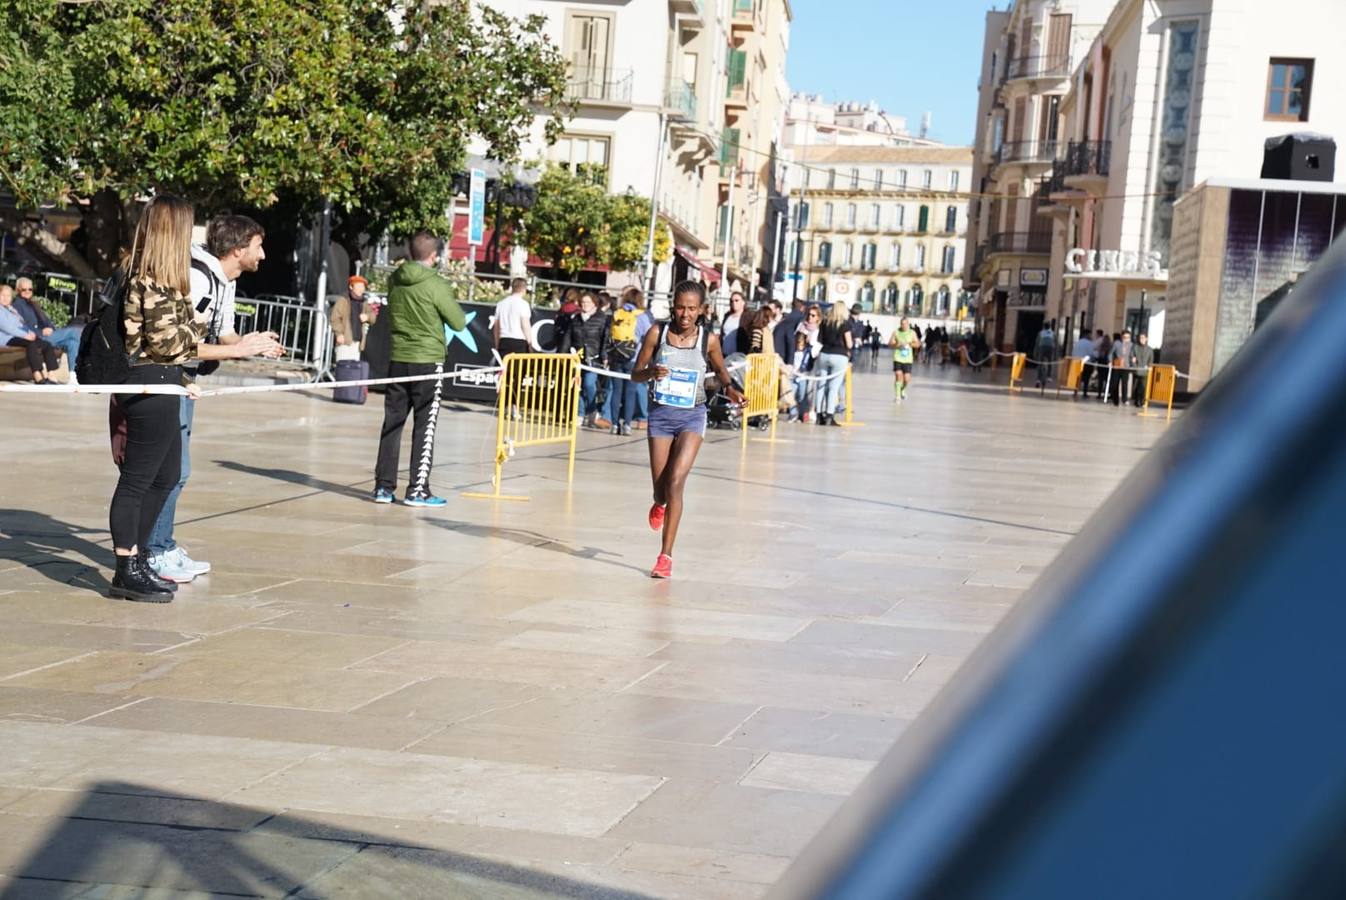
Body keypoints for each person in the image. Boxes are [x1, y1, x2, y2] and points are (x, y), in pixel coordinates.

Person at [108, 196, 280, 602]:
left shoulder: (171, 277)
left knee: (166, 475)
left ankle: (141, 557)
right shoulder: (149, 277)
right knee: (138, 480)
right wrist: (233, 350)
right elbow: (167, 342)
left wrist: (193, 368)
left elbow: (185, 341)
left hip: (170, 381)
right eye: (186, 225)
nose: (192, 235)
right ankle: (127, 566)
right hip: (149, 382)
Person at [146, 214, 278, 584]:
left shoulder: (226, 280)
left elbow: (224, 337)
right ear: (238, 250)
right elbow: (174, 343)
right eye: (257, 247)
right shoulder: (199, 278)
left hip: (184, 381)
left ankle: (162, 544)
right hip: (164, 380)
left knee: (175, 471)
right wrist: (235, 353)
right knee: (168, 471)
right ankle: (154, 552)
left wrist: (252, 345)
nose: (263, 255)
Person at [632, 280, 743, 578]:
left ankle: (665, 556)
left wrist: (732, 392)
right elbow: (635, 374)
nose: (685, 314)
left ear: (702, 310)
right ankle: (658, 504)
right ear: (673, 306)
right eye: (680, 307)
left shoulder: (709, 340)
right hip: (660, 416)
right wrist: (651, 372)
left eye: (692, 308)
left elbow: (721, 373)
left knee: (677, 481)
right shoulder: (658, 332)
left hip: (693, 415)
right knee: (661, 489)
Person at [372, 231, 467, 507]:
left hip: (399, 357)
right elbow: (458, 322)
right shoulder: (437, 284)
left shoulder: (394, 280)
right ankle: (417, 489)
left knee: (393, 422)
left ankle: (383, 487)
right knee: (425, 425)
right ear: (434, 256)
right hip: (428, 359)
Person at [13, 278, 83, 375]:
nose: (28, 292)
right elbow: (21, 327)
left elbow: (46, 321)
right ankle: (86, 361)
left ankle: (72, 374)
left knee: (72, 343)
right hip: (37, 338)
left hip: (47, 336)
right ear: (17, 290)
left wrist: (51, 329)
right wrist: (41, 332)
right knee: (73, 332)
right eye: (24, 289)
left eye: (30, 289)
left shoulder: (33, 304)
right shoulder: (17, 306)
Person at [560, 291, 609, 429]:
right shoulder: (575, 319)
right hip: (577, 359)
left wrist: (604, 356)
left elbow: (605, 339)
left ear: (594, 303)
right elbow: (567, 338)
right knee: (578, 387)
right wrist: (563, 354)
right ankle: (579, 414)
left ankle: (592, 410)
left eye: (587, 302)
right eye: (582, 302)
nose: (584, 305)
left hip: (593, 359)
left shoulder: (602, 318)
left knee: (588, 384)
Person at [0, 284, 62, 383]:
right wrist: (25, 335)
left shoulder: (11, 309)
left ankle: (51, 374)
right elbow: (7, 327)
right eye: (3, 295)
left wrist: (31, 333)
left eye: (8, 296)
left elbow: (22, 325)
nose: (5, 298)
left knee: (46, 345)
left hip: (20, 336)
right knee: (31, 344)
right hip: (8, 338)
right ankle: (37, 374)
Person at [604, 286, 643, 435]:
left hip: (616, 355)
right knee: (630, 392)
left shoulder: (616, 313)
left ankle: (614, 424)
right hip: (633, 357)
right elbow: (648, 335)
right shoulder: (641, 316)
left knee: (616, 391)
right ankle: (627, 424)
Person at [813, 301, 853, 426]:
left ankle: (819, 415)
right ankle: (830, 415)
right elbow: (849, 343)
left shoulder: (825, 322)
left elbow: (820, 339)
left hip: (824, 354)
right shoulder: (845, 324)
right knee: (833, 387)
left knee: (821, 385)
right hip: (839, 355)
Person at [792, 303, 822, 421]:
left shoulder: (818, 331)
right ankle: (794, 412)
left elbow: (819, 346)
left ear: (818, 318)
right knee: (794, 387)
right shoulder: (801, 326)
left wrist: (812, 343)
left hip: (810, 363)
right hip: (797, 360)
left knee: (807, 391)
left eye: (813, 315)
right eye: (809, 314)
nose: (810, 317)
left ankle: (805, 412)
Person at [493, 277, 535, 360]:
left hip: (504, 340)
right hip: (519, 342)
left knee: (504, 370)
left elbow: (496, 327)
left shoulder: (501, 304)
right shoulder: (523, 304)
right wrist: (530, 344)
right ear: (524, 289)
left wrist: (497, 344)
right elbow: (525, 325)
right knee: (518, 371)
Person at [330, 275, 371, 358]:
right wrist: (339, 334)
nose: (361, 289)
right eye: (359, 286)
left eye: (363, 286)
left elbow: (373, 316)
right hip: (345, 340)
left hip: (358, 342)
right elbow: (335, 318)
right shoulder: (343, 300)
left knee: (353, 369)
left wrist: (367, 316)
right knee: (343, 367)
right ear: (351, 287)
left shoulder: (364, 302)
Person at [889, 316, 920, 402]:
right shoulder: (896, 332)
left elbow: (918, 344)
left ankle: (902, 389)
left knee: (906, 379)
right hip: (898, 358)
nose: (904, 326)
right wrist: (897, 345)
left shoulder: (912, 333)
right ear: (900, 324)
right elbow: (890, 343)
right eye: (902, 324)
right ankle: (897, 396)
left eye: (906, 324)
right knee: (898, 375)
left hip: (908, 359)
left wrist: (910, 344)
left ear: (908, 324)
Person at [1109, 330, 1134, 406]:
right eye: (1124, 337)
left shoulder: (1131, 345)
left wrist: (1133, 360)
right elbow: (1111, 353)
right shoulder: (1116, 343)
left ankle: (1124, 399)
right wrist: (1110, 361)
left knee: (1124, 384)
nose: (1126, 339)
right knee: (1115, 383)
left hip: (1126, 366)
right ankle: (1115, 399)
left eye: (1128, 337)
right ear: (1121, 337)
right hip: (1117, 365)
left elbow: (1132, 355)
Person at [1130, 332, 1155, 408]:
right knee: (1136, 386)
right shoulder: (1135, 347)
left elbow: (1151, 360)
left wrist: (1149, 367)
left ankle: (1142, 401)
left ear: (1146, 339)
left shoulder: (1149, 349)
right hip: (1137, 370)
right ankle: (1136, 400)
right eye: (1140, 338)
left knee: (1143, 386)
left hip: (1145, 371)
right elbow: (1132, 357)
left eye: (1143, 338)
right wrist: (1134, 365)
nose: (1142, 339)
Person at [720, 291, 746, 356]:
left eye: (736, 300)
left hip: (740, 355)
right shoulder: (727, 315)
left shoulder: (748, 317)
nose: (734, 303)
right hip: (724, 354)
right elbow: (722, 334)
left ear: (743, 302)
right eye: (732, 301)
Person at [1071, 329, 1095, 397]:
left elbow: (1073, 352)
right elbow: (1091, 354)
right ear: (1087, 335)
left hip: (1077, 362)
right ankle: (1085, 392)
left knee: (1077, 378)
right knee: (1086, 378)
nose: (1091, 336)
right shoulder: (1089, 343)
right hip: (1086, 363)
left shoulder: (1077, 342)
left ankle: (1075, 391)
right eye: (1090, 334)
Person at [1034, 322, 1058, 388]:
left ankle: (1038, 379)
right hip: (1050, 348)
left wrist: (1035, 353)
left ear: (1043, 327)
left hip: (1042, 347)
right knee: (1050, 362)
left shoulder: (1040, 333)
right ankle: (1049, 377)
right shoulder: (1053, 333)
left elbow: (1037, 343)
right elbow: (1056, 344)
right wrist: (1055, 355)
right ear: (1050, 326)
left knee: (1040, 363)